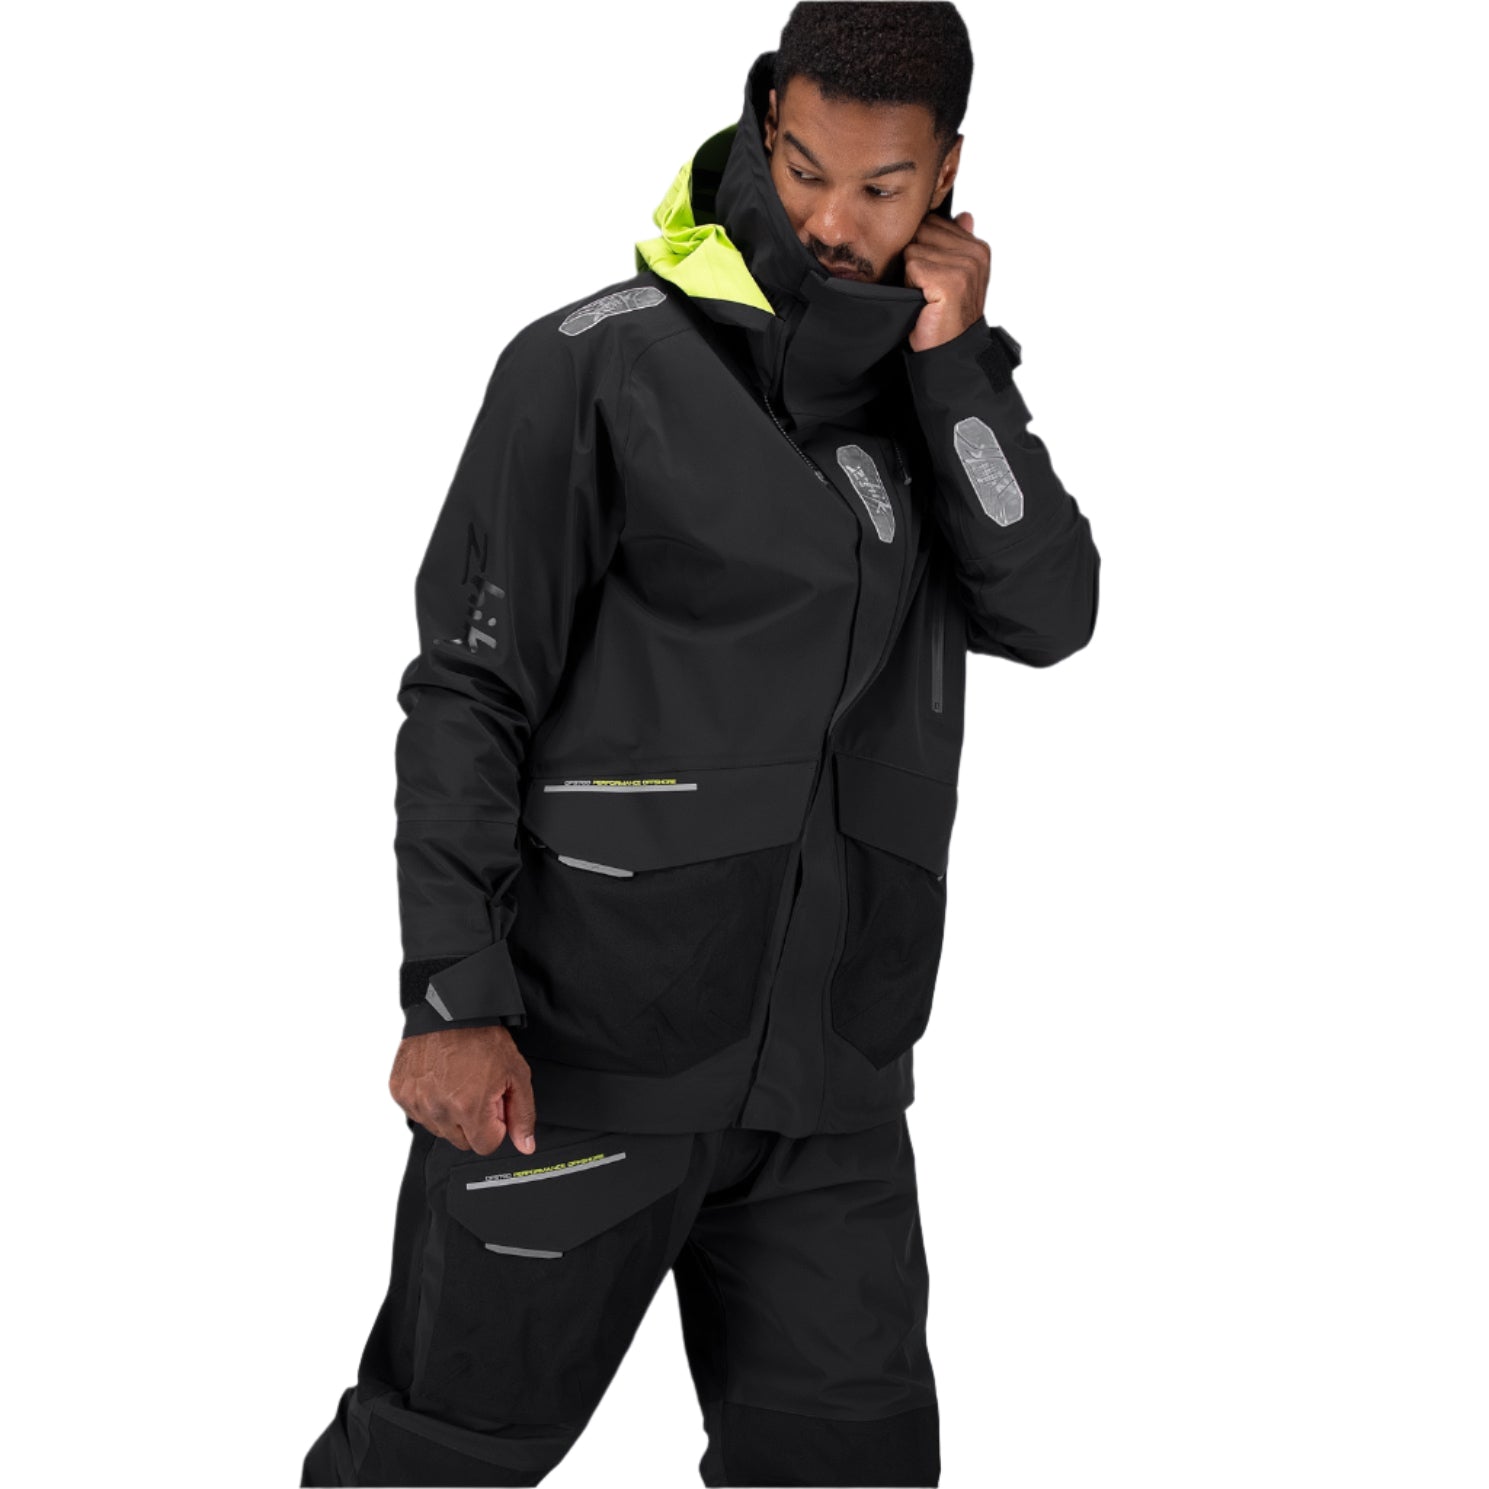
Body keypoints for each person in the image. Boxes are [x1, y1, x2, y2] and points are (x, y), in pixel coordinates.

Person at [301, 4, 1099, 1484]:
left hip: (831, 1092)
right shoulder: (594, 367)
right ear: (763, 119)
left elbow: (1048, 610)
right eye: (804, 170)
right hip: (576, 1072)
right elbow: (467, 691)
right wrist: (449, 995)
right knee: (436, 1463)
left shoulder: (929, 397)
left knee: (851, 1469)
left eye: (881, 187)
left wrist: (956, 368)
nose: (832, 222)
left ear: (945, 178)